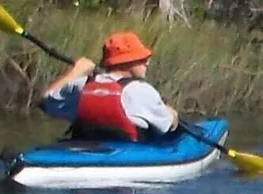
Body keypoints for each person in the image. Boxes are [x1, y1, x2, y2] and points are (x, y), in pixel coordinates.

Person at [39, 31, 178, 141]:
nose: (146, 64)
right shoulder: (141, 91)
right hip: (127, 160)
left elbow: (45, 101)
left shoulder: (81, 85)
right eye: (143, 60)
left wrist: (76, 71)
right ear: (127, 62)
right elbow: (167, 124)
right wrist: (172, 113)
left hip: (83, 156)